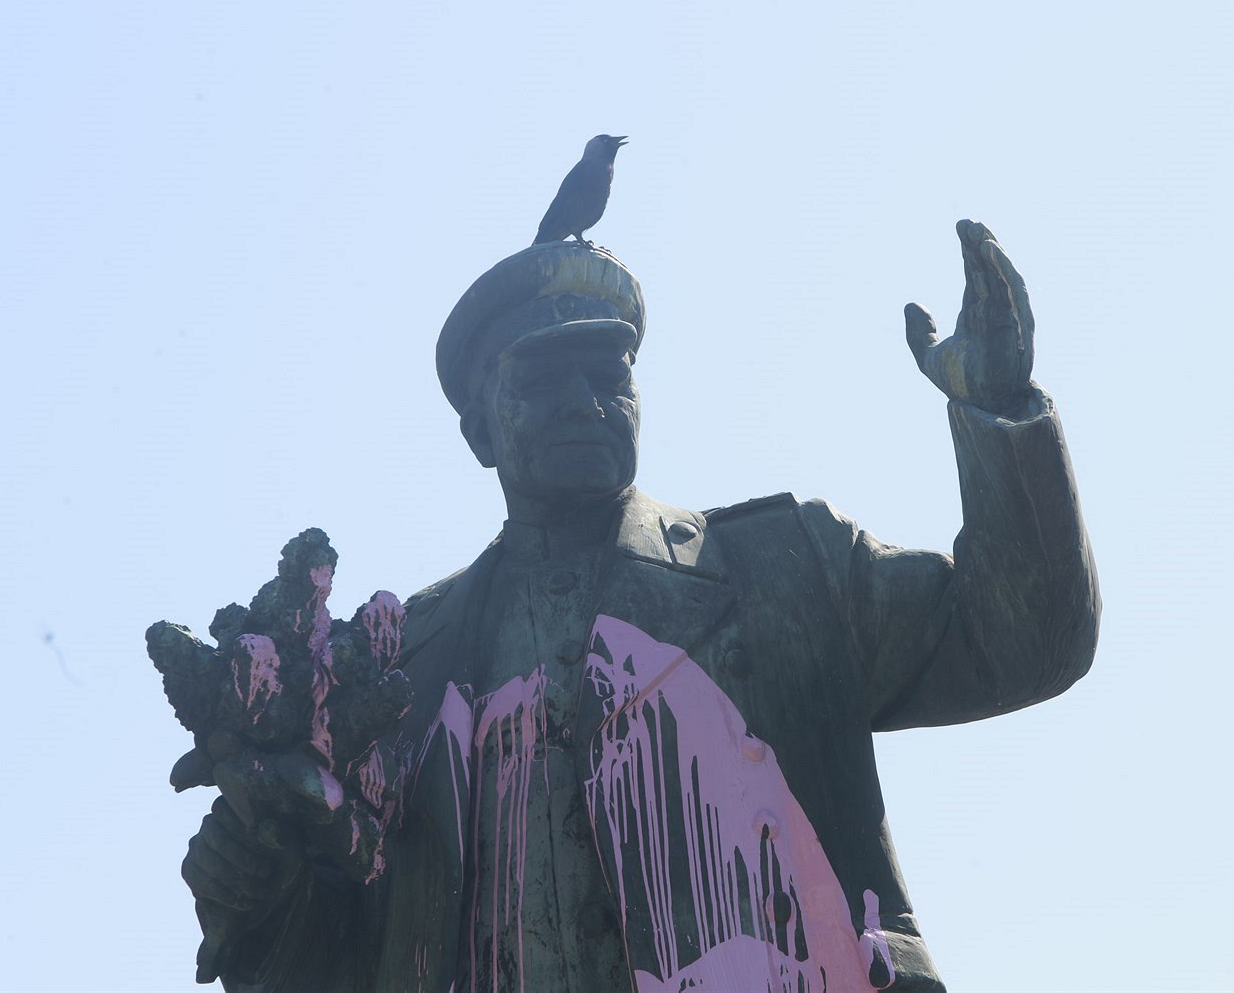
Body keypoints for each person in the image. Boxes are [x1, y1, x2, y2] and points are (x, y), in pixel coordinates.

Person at [181, 222, 1100, 992]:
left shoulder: (786, 567)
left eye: (606, 374)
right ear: (478, 430)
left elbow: (1028, 639)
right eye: (542, 380)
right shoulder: (396, 672)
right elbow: (342, 960)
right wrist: (257, 895)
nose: (584, 403)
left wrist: (1001, 411)